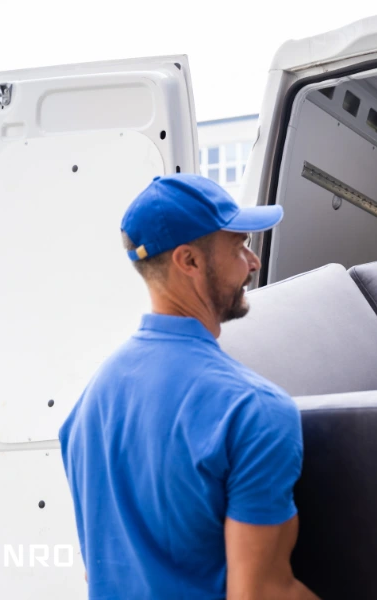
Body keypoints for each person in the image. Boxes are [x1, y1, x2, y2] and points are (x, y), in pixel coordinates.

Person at [59, 174, 319, 600]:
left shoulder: (89, 404)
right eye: (238, 247)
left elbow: (99, 572)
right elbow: (263, 593)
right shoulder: (253, 408)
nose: (252, 263)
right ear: (189, 261)